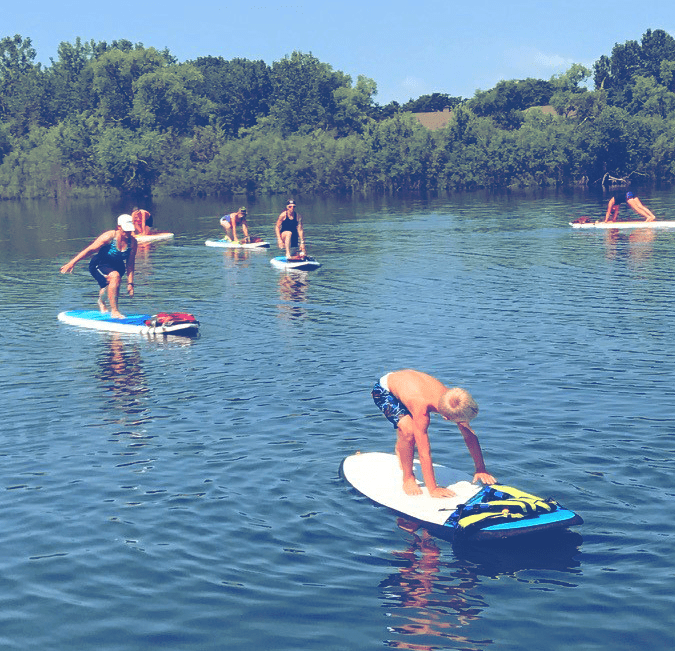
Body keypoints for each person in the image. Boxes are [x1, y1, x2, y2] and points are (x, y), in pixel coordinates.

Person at [372, 370, 497, 498]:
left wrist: (481, 468)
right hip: (384, 391)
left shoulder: (454, 399)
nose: (463, 424)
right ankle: (408, 478)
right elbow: (424, 452)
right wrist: (433, 488)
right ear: (446, 418)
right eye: (460, 422)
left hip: (408, 387)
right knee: (409, 432)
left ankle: (402, 449)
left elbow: (469, 436)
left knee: (408, 429)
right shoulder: (421, 410)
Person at [60, 214, 138, 319]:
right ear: (119, 227)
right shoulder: (109, 237)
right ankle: (114, 311)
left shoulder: (133, 242)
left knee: (108, 286)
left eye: (130, 230)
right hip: (99, 264)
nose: (128, 233)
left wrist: (130, 283)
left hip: (118, 266)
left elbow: (130, 263)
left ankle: (101, 301)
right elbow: (90, 250)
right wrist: (72, 262)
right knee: (115, 277)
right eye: (125, 230)